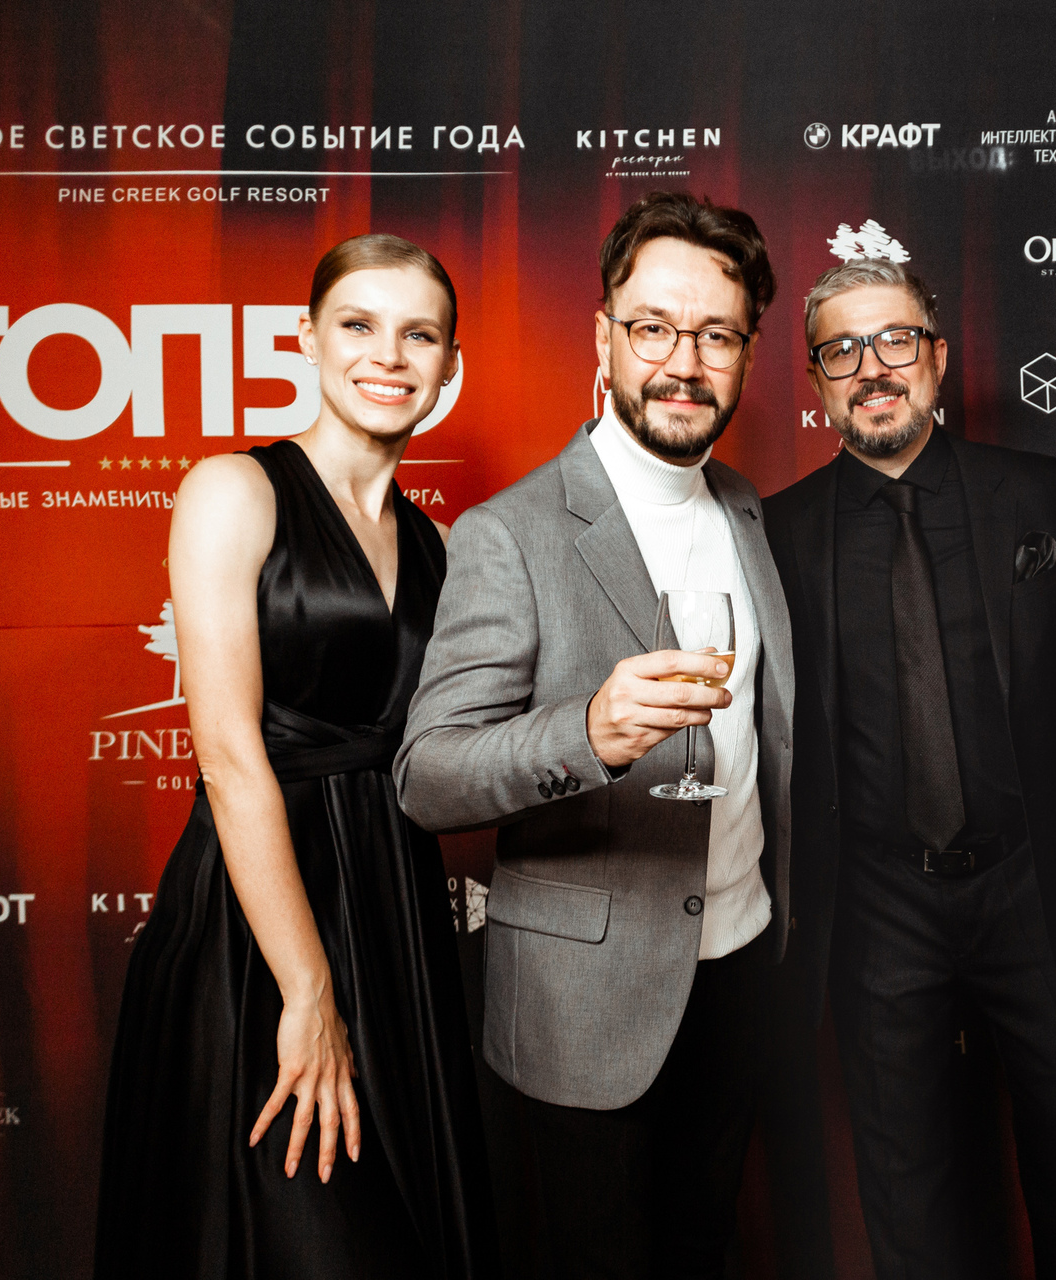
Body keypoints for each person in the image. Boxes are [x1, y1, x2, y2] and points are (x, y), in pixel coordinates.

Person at [395, 191, 793, 1279]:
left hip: (740, 965)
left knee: (705, 1250)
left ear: (747, 353)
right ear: (605, 337)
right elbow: (428, 776)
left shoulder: (748, 509)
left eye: (716, 335)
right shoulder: (510, 533)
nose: (683, 362)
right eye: (654, 327)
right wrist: (588, 732)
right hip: (586, 1000)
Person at [94, 234, 492, 1278]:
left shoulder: (437, 544)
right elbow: (230, 757)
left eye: (419, 335)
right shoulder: (235, 489)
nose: (388, 356)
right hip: (259, 926)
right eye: (358, 325)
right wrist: (308, 992)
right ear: (306, 339)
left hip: (396, 914)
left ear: (449, 364)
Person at [762, 256, 1056, 1278]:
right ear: (817, 380)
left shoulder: (1038, 494)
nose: (871, 367)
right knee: (909, 1197)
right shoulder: (778, 533)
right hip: (878, 905)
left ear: (939, 357)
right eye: (841, 350)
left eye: (895, 340)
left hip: (1033, 889)